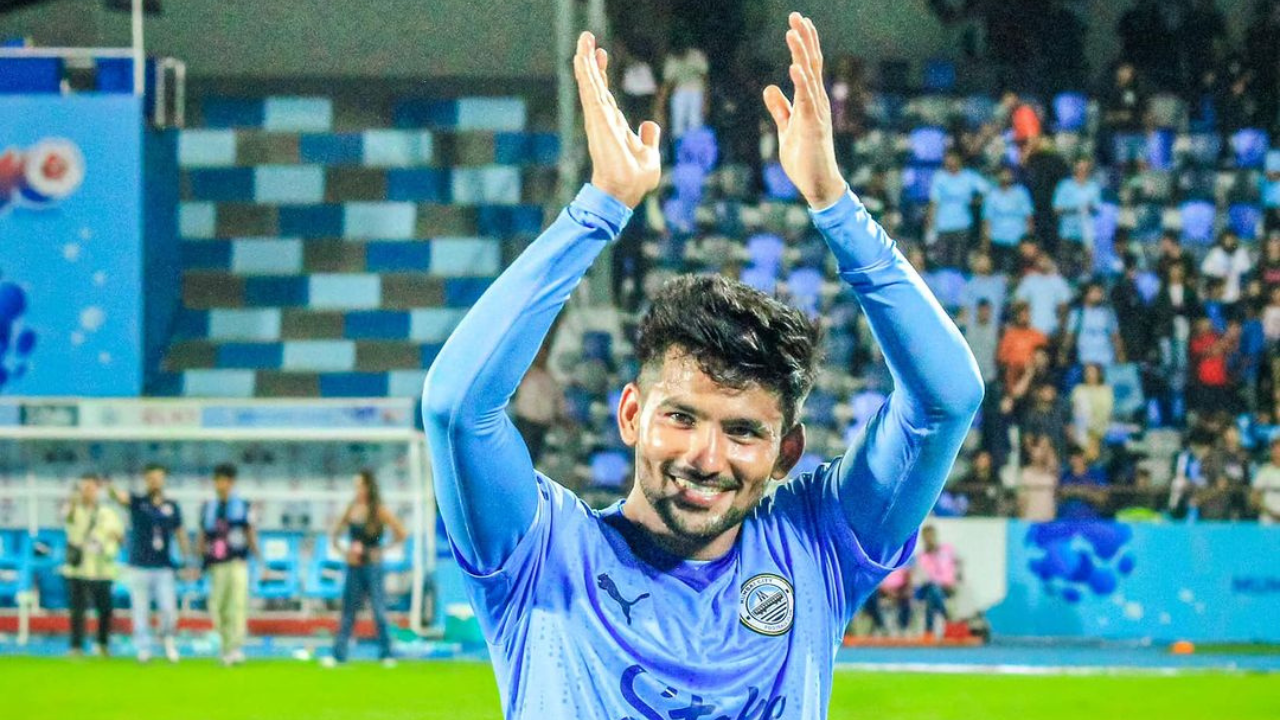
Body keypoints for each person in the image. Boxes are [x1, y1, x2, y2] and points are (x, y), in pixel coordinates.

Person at [421, 18, 983, 718]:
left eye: (743, 431)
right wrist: (599, 210)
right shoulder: (542, 554)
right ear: (632, 414)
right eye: (682, 417)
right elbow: (456, 408)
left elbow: (946, 399)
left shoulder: (816, 549)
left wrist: (834, 205)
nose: (706, 457)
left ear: (787, 452)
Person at [106, 463, 190, 663]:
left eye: (158, 478)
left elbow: (180, 532)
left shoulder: (171, 506)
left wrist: (187, 559)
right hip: (140, 566)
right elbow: (118, 497)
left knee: (168, 609)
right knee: (140, 610)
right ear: (146, 479)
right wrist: (109, 486)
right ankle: (143, 648)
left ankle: (167, 641)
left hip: (164, 566)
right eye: (151, 478)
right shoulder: (138, 502)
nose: (155, 481)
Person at [324, 470, 408, 667]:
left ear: (369, 487)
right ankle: (339, 654)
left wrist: (382, 550)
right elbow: (335, 533)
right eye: (356, 486)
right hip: (354, 565)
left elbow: (401, 532)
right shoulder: (352, 509)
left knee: (379, 609)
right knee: (348, 611)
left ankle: (386, 653)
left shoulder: (378, 510)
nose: (357, 490)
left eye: (360, 486)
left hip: (372, 565)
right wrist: (345, 553)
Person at [196, 463, 258, 667]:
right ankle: (225, 646)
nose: (219, 484)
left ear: (231, 482)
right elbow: (203, 536)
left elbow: (250, 533)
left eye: (223, 480)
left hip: (237, 561)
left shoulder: (243, 506)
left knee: (237, 605)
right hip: (216, 563)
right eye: (217, 480)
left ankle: (236, 647)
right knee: (219, 607)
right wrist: (197, 561)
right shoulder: (209, 508)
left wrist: (259, 559)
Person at [63, 473, 124, 657]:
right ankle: (76, 646)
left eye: (91, 488)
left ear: (97, 489)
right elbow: (68, 519)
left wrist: (108, 542)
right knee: (77, 610)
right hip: (79, 567)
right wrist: (75, 499)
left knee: (105, 609)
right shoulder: (74, 510)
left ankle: (102, 644)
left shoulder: (107, 513)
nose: (87, 492)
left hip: (102, 568)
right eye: (84, 488)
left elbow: (119, 536)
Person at [926, 149, 990, 271]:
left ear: (959, 160)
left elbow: (987, 190)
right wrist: (930, 228)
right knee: (941, 263)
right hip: (943, 226)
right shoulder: (939, 177)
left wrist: (975, 201)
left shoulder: (969, 176)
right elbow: (934, 203)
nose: (950, 163)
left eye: (953, 159)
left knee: (959, 263)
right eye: (948, 160)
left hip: (963, 225)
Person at [1052, 158, 1102, 278]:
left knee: (1086, 268)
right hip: (1067, 233)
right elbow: (1056, 209)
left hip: (1086, 234)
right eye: (1080, 167)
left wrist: (1090, 208)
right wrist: (1075, 209)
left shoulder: (1093, 187)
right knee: (1065, 267)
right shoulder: (1064, 185)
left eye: (1085, 168)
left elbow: (1097, 209)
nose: (1082, 170)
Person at [982, 166, 1034, 274]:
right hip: (997, 239)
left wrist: (1030, 238)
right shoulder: (992, 195)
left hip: (1018, 239)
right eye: (1002, 174)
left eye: (1008, 174)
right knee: (997, 271)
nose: (1005, 177)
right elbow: (987, 221)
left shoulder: (1021, 193)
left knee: (1017, 271)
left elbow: (1028, 217)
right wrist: (986, 243)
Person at [914, 526, 958, 640]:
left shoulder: (947, 549)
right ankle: (948, 617)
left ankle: (928, 632)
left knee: (932, 595)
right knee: (933, 590)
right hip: (928, 587)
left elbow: (951, 570)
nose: (929, 540)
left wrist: (950, 583)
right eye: (926, 538)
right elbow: (926, 577)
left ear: (935, 536)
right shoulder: (922, 556)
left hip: (946, 588)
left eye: (931, 536)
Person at [661, 40, 709, 139]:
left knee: (695, 122)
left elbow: (705, 78)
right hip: (679, 91)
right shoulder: (672, 59)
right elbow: (668, 82)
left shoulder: (696, 55)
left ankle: (694, 144)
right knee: (678, 123)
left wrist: (706, 100)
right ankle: (680, 145)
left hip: (696, 90)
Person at [1071, 363, 1115, 458]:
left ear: (1098, 373)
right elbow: (1077, 412)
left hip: (1102, 431)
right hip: (1084, 432)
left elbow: (1108, 411)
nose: (1089, 374)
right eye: (1087, 372)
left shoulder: (1106, 390)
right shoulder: (1079, 390)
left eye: (1092, 372)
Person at [1251, 436, 1280, 524]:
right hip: (1268, 520)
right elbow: (1254, 498)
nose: (1278, 451)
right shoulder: (1264, 471)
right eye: (1276, 448)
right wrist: (1271, 513)